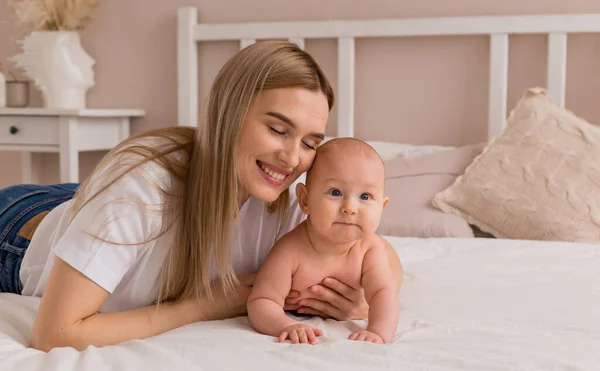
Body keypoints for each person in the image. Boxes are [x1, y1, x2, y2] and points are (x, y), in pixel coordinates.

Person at [0, 40, 403, 352]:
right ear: (229, 113)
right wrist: (205, 304)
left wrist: (359, 300)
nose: (294, 157)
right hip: (21, 230)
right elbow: (54, 334)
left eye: (311, 141)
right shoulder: (142, 188)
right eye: (278, 130)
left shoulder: (293, 188)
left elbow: (381, 254)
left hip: (87, 207)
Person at [247, 138, 398, 345]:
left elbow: (383, 293)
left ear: (382, 206)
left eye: (365, 196)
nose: (350, 207)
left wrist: (378, 332)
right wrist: (285, 325)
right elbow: (261, 302)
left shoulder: (369, 250)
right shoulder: (290, 251)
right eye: (335, 192)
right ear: (305, 200)